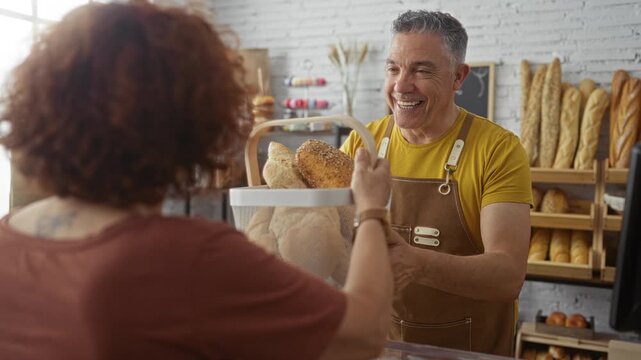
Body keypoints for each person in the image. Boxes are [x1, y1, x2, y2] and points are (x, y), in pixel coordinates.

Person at [0, 2, 394, 359]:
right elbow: (363, 336)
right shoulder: (189, 256)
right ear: (193, 118)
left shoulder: (8, 236)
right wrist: (372, 209)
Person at [341, 10, 532, 356]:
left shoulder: (498, 150)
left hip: (469, 352)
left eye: (421, 70)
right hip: (381, 348)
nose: (401, 85)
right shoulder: (361, 145)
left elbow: (508, 276)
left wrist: (416, 263)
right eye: (393, 68)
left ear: (458, 76)